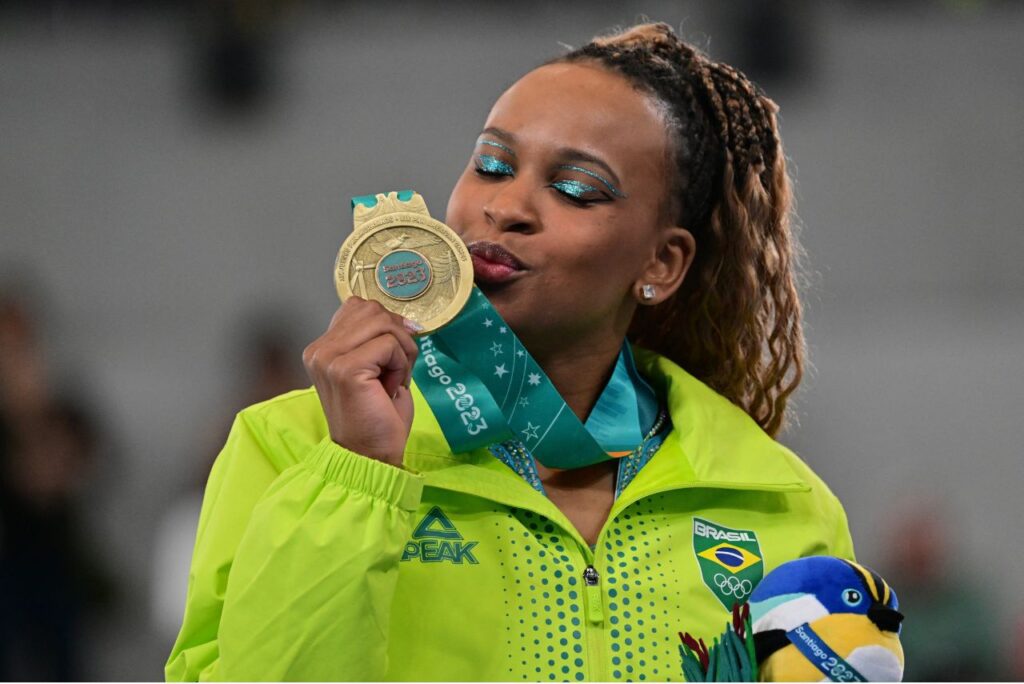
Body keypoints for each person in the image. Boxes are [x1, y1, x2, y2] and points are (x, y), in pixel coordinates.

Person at [166, 22, 854, 681]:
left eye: (577, 189)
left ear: (662, 263)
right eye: (492, 165)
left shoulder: (778, 505)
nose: (507, 206)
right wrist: (357, 477)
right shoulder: (291, 447)